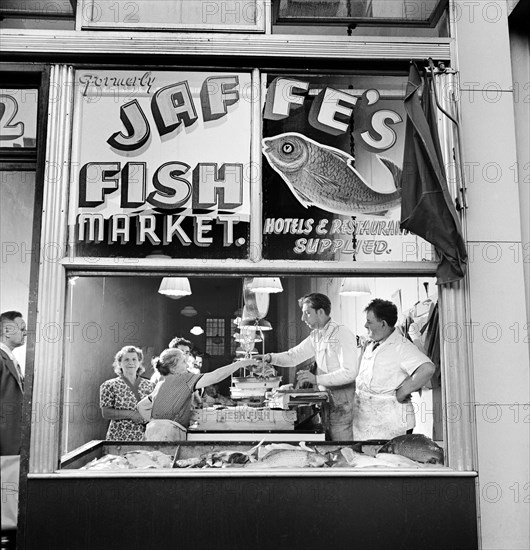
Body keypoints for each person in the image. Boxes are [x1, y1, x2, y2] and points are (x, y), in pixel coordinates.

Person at [258, 293, 358, 441]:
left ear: (321, 312)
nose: (303, 318)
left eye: (307, 313)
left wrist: (316, 379)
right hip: (327, 400)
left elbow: (350, 372)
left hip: (343, 402)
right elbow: (294, 356)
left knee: (342, 447)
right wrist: (269, 358)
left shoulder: (341, 333)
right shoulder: (316, 335)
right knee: (329, 445)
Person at [352, 298, 436, 440]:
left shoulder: (401, 346)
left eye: (369, 321)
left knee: (391, 461)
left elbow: (427, 368)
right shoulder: (373, 343)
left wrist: (403, 391)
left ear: (383, 323)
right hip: (368, 418)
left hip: (391, 419)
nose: (365, 325)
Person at [137, 348, 255, 441]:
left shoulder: (161, 382)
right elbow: (215, 376)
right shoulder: (184, 378)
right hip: (169, 434)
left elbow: (141, 406)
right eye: (184, 362)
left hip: (152, 432)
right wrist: (239, 364)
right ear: (173, 367)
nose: (187, 366)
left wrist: (157, 421)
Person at [0, 311, 27, 541]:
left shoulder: (12, 359)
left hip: (13, 442)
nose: (25, 332)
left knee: (9, 500)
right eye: (21, 327)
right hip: (5, 441)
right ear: (7, 330)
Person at [99, 345, 154, 441]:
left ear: (139, 362)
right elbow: (106, 413)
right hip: (119, 438)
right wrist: (131, 414)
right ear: (119, 363)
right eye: (126, 360)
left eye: (134, 359)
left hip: (145, 438)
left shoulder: (150, 385)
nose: (131, 362)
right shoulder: (109, 385)